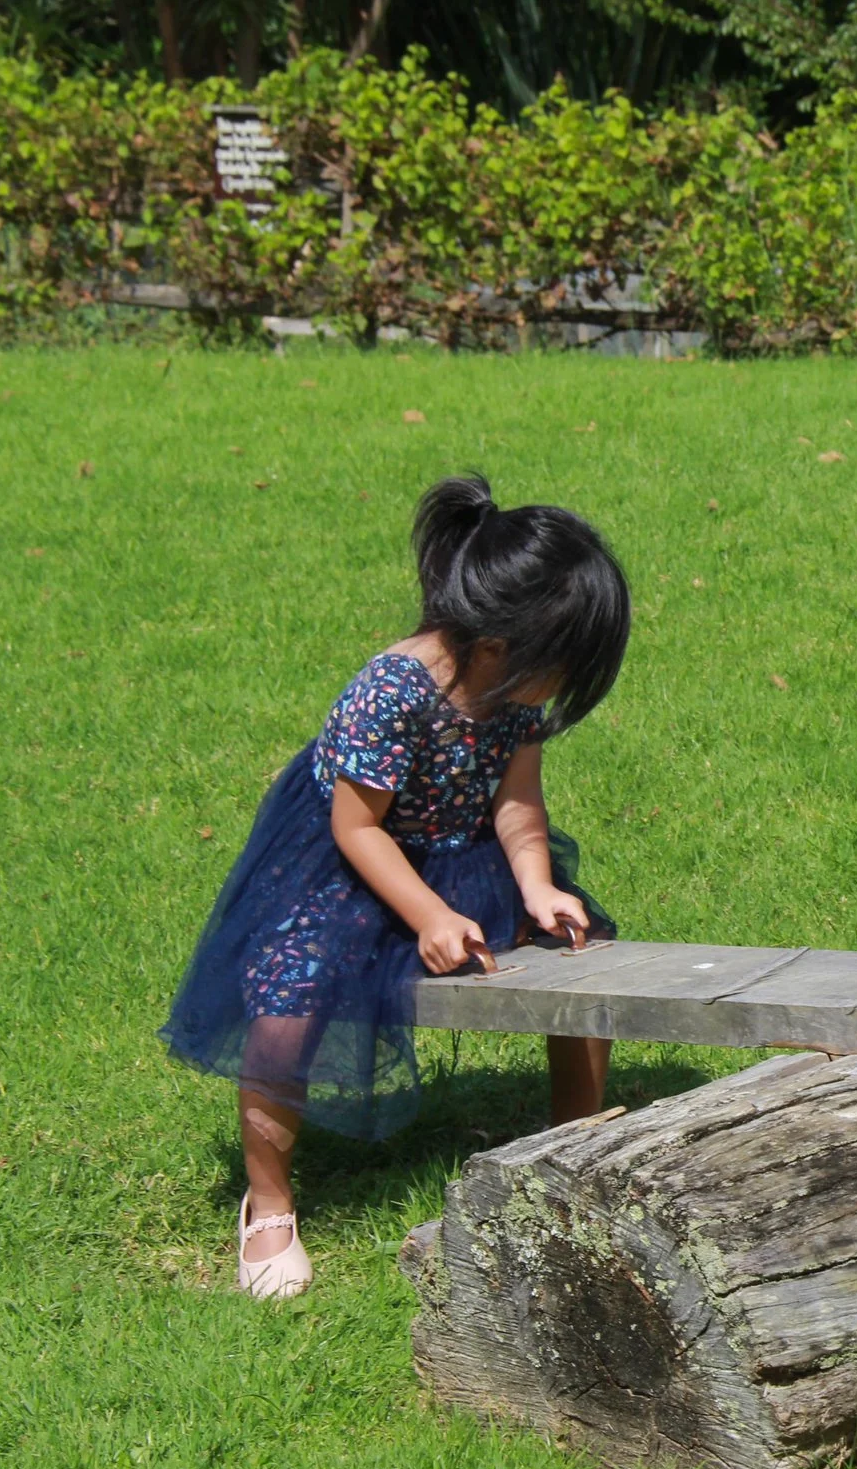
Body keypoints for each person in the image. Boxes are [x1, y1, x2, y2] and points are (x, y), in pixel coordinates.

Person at [161, 476, 632, 1300]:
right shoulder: (391, 690)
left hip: (460, 856)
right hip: (351, 869)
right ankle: (268, 1202)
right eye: (561, 665)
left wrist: (535, 884)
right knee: (287, 999)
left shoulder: (514, 699)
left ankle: (574, 1142)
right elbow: (356, 829)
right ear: (502, 641)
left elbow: (519, 802)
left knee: (579, 947)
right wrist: (428, 913)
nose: (559, 689)